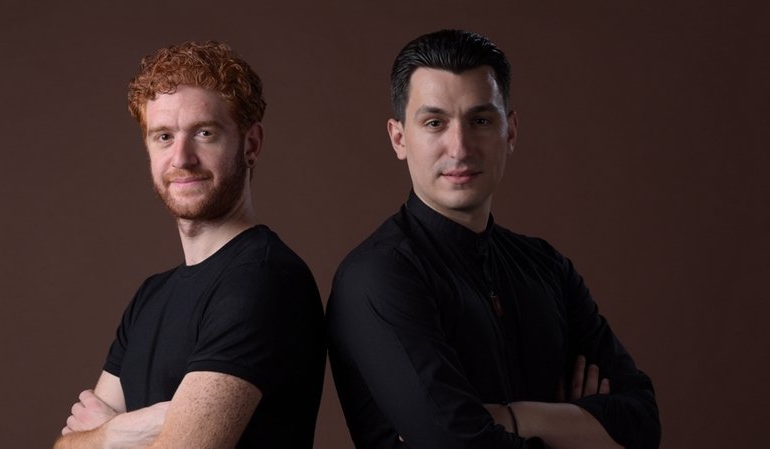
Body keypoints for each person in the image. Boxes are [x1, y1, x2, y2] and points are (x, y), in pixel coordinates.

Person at [326, 29, 660, 449]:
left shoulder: (546, 266)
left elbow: (643, 424)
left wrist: (510, 417)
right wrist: (577, 425)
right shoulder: (376, 276)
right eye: (434, 123)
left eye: (480, 120)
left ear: (511, 131)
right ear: (399, 138)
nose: (460, 148)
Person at [54, 41, 325, 449]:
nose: (181, 158)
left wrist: (103, 435)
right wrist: (126, 429)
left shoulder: (264, 280)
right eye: (164, 136)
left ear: (251, 144)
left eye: (204, 133)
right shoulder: (150, 297)